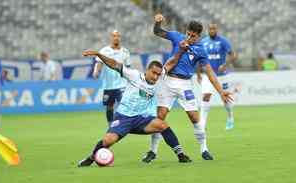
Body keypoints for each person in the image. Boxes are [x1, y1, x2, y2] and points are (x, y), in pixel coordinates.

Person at [78, 42, 192, 167]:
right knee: (107, 141)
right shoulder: (134, 75)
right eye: (153, 73)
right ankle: (91, 157)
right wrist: (98, 54)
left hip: (142, 120)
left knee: (162, 124)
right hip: (123, 118)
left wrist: (181, 50)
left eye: (158, 74)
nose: (156, 77)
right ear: (147, 70)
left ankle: (181, 155)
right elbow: (114, 64)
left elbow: (172, 62)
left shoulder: (160, 78)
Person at [142, 14, 233, 163]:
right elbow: (158, 32)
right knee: (160, 117)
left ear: (198, 36)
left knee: (194, 117)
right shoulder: (177, 37)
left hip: (185, 84)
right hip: (167, 81)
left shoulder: (201, 50)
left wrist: (221, 91)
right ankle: (153, 151)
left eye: (193, 36)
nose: (189, 37)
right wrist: (157, 23)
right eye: (188, 34)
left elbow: (209, 72)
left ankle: (204, 149)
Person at [199, 23, 236, 131]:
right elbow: (199, 58)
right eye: (210, 29)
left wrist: (225, 65)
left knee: (225, 98)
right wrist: (198, 73)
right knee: (206, 96)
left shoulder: (223, 41)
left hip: (222, 76)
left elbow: (233, 55)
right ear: (208, 30)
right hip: (208, 75)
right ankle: (202, 123)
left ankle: (230, 117)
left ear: (217, 30)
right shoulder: (203, 42)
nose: (212, 30)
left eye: (214, 29)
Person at [92, 30, 131, 125]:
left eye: (118, 36)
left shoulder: (125, 52)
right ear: (111, 38)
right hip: (108, 85)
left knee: (123, 104)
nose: (116, 38)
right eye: (114, 36)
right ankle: (110, 125)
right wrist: (96, 71)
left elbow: (128, 67)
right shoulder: (104, 51)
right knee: (109, 107)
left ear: (120, 38)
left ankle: (123, 124)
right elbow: (99, 62)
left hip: (122, 84)